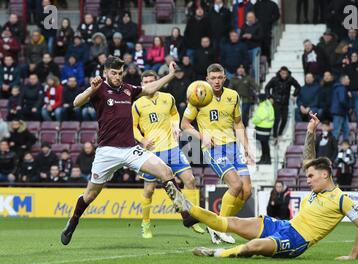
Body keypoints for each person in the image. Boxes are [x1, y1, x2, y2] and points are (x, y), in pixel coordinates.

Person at [186, 113, 358, 260]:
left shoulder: (341, 199)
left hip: (297, 240)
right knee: (234, 222)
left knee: (254, 246)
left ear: (325, 174)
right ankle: (189, 209)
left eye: (311, 176)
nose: (308, 180)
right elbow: (309, 159)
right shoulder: (318, 187)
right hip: (284, 226)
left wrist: (352, 256)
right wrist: (311, 132)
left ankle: (215, 253)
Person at [60, 56, 198, 246]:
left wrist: (171, 75)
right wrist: (90, 89)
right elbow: (76, 102)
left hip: (131, 149)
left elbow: (149, 88)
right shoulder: (99, 88)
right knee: (90, 195)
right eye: (113, 73)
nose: (117, 76)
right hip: (107, 151)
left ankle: (185, 214)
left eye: (120, 73)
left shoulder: (128, 89)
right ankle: (73, 221)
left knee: (165, 171)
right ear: (105, 72)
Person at [181, 63, 255, 244]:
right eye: (212, 78)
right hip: (213, 149)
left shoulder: (233, 96)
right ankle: (221, 226)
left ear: (224, 78)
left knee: (246, 192)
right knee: (235, 185)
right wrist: (201, 136)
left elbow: (238, 123)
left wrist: (246, 147)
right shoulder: (198, 97)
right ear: (207, 79)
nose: (216, 81)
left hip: (233, 148)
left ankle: (215, 225)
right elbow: (184, 124)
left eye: (219, 77)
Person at [133, 70, 204, 238]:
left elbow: (174, 114)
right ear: (142, 84)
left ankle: (193, 218)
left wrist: (175, 125)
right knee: (149, 190)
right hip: (151, 152)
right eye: (146, 81)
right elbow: (132, 127)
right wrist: (142, 140)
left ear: (158, 81)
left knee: (191, 180)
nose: (149, 84)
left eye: (152, 80)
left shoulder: (168, 98)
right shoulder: (137, 104)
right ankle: (146, 223)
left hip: (172, 148)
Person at [265, 66, 300, 141]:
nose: (284, 75)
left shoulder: (290, 79)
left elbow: (298, 87)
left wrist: (294, 95)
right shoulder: (275, 79)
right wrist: (269, 97)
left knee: (284, 118)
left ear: (287, 73)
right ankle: (274, 135)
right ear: (280, 72)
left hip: (285, 102)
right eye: (282, 73)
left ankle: (280, 133)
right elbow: (267, 87)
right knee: (277, 119)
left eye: (285, 73)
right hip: (276, 101)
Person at [252, 94, 274, 164]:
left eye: (258, 99)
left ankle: (265, 159)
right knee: (264, 144)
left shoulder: (263, 106)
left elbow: (258, 118)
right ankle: (265, 159)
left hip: (263, 127)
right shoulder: (267, 104)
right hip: (265, 127)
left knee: (264, 144)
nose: (257, 100)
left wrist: (253, 121)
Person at [240, 11, 263, 79]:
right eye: (249, 17)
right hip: (245, 49)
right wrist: (244, 36)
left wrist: (251, 36)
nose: (250, 19)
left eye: (251, 17)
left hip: (255, 48)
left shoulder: (258, 25)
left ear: (254, 18)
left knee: (254, 66)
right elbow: (240, 37)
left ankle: (255, 81)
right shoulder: (244, 25)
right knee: (245, 65)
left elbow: (260, 36)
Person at [331, 74, 351, 141]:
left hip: (342, 112)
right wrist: (348, 107)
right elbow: (342, 100)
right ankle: (332, 148)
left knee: (346, 130)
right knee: (337, 130)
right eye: (348, 79)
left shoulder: (338, 88)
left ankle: (346, 147)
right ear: (343, 80)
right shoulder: (341, 88)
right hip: (339, 112)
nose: (349, 80)